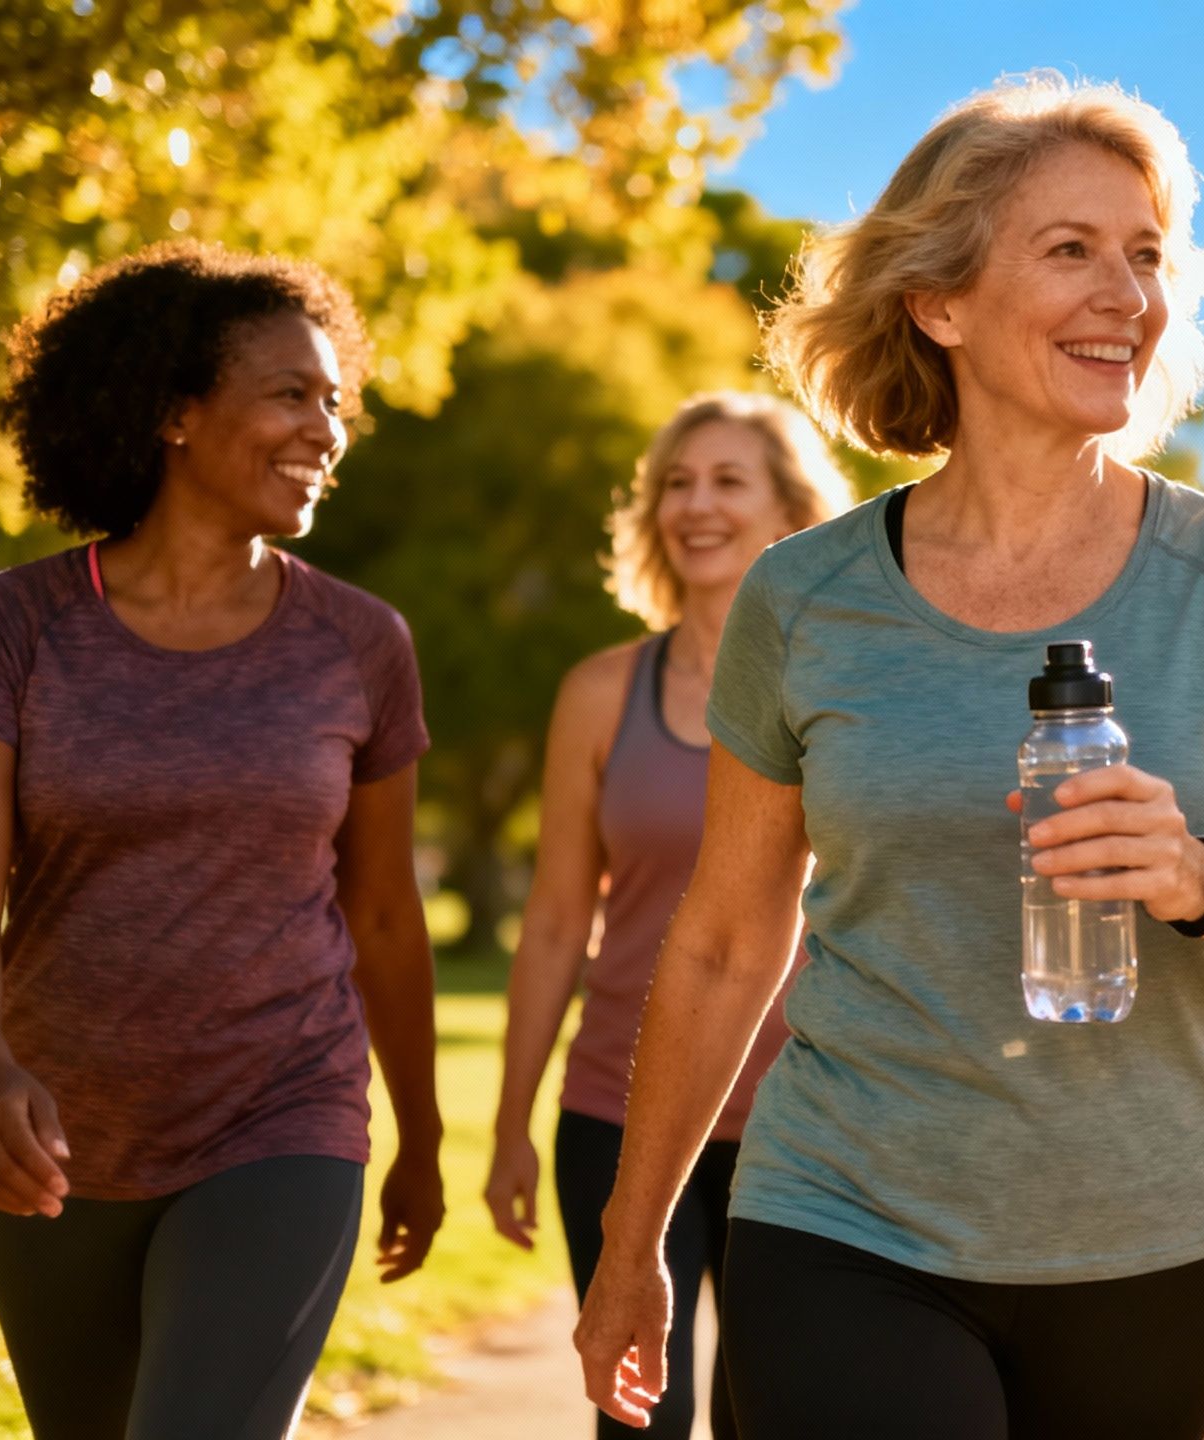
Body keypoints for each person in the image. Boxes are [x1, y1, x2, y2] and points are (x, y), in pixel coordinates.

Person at [571, 73, 1204, 1438]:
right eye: (1070, 251)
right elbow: (722, 941)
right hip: (843, 1211)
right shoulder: (805, 595)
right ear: (939, 302)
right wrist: (634, 1236)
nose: (1126, 295)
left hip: (1150, 1239)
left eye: (1146, 257)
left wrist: (1199, 877)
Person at [0, 240, 443, 1439]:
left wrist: (421, 1135)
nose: (326, 429)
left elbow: (386, 913)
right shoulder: (15, 625)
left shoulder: (359, 644)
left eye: (335, 400)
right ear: (176, 414)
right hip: (51, 1136)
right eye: (290, 395)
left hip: (283, 1116)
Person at [485, 392, 849, 1440]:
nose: (695, 505)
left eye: (729, 481)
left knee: (775, 1413)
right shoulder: (601, 693)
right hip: (617, 1112)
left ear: (790, 512)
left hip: (808, 1117)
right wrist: (511, 1120)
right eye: (676, 484)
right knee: (637, 1415)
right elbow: (557, 922)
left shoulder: (842, 690)